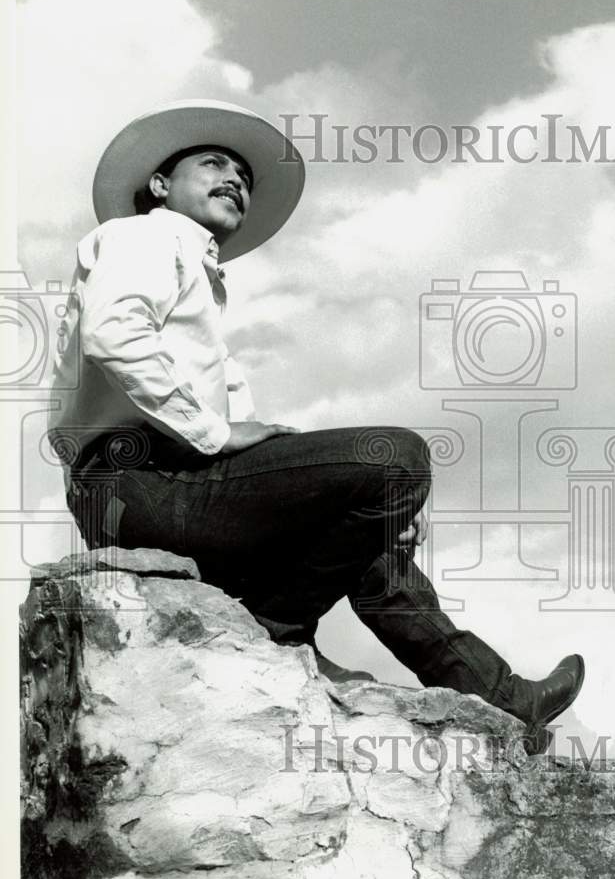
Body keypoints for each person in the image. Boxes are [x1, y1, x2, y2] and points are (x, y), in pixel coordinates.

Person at [49, 98, 584, 739]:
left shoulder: (200, 289)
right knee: (398, 454)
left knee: (373, 505)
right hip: (132, 482)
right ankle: (281, 625)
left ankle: (502, 698)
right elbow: (112, 333)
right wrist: (219, 433)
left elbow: (254, 445)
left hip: (172, 482)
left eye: (243, 178)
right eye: (213, 164)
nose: (235, 182)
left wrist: (368, 507)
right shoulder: (143, 235)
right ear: (161, 185)